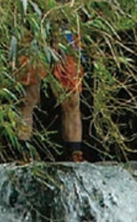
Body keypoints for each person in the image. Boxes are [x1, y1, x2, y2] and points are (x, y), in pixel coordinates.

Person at [18, 29, 86, 162]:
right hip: (34, 30)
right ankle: (23, 152)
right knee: (28, 98)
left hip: (66, 31)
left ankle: (75, 154)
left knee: (72, 100)